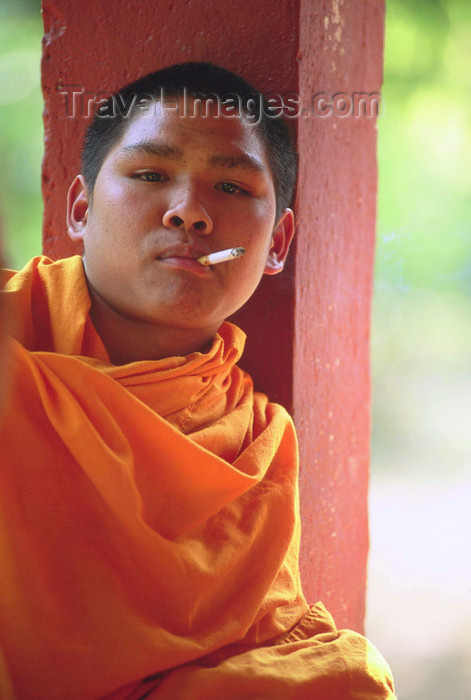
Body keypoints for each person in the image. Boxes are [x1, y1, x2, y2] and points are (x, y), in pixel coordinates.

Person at [0, 62, 395, 699]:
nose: (189, 214)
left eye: (234, 189)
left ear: (277, 244)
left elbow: (262, 650)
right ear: (81, 206)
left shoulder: (254, 440)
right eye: (151, 175)